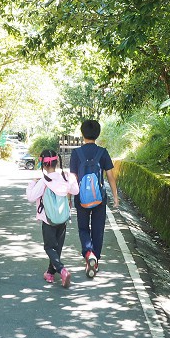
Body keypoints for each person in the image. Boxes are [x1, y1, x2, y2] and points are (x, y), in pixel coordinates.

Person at [69, 119, 119, 278]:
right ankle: (95, 258)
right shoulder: (102, 152)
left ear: (82, 134)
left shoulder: (76, 153)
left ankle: (88, 253)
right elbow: (111, 177)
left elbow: (73, 178)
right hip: (100, 197)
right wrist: (116, 198)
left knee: (83, 228)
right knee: (98, 230)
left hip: (81, 197)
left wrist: (69, 199)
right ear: (97, 134)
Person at [25, 149, 80, 287]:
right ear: (57, 162)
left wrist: (32, 183)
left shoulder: (43, 181)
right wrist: (71, 179)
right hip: (63, 218)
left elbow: (31, 198)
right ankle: (50, 274)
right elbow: (76, 191)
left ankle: (62, 270)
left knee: (49, 247)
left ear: (43, 164)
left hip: (48, 219)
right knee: (58, 247)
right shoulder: (65, 177)